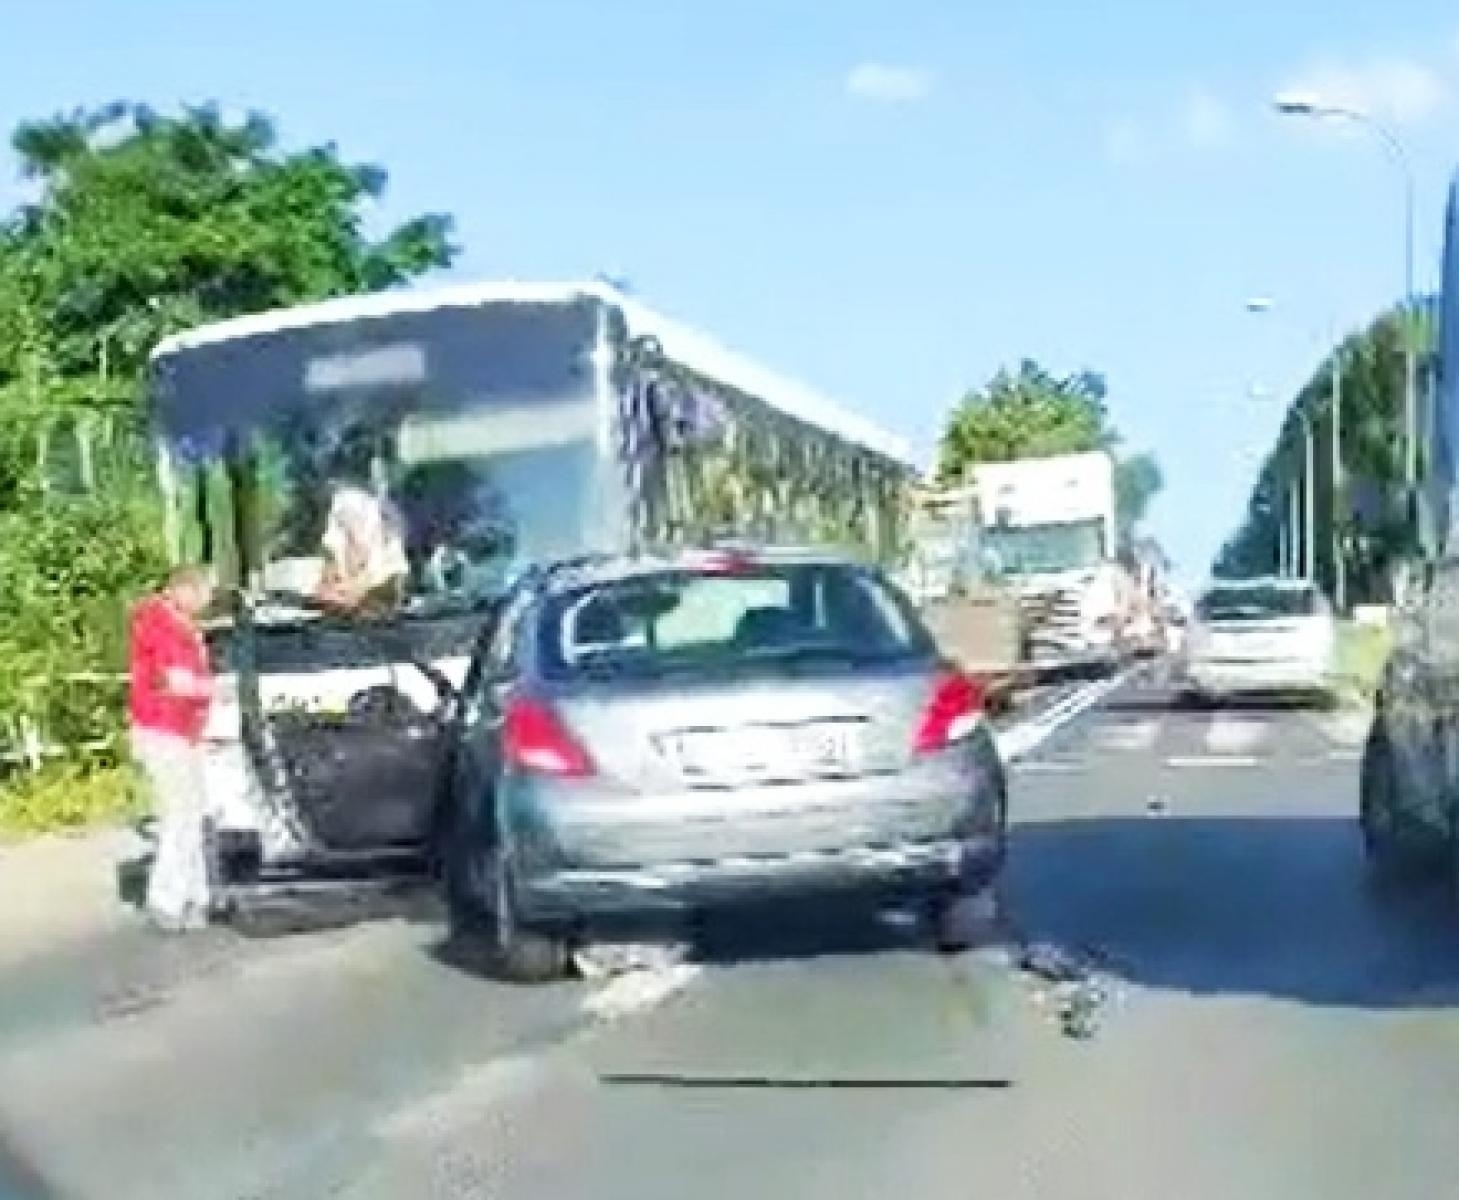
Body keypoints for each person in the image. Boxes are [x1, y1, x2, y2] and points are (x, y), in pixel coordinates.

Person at [128, 566, 217, 932]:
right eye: (204, 593)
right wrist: (217, 691)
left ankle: (195, 896)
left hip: (180, 730)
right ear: (183, 589)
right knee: (180, 816)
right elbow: (177, 682)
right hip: (164, 729)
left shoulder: (176, 623)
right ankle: (167, 899)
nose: (207, 602)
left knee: (191, 814)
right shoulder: (161, 624)